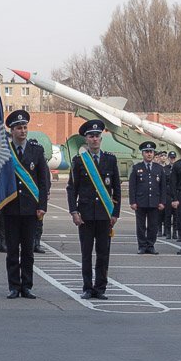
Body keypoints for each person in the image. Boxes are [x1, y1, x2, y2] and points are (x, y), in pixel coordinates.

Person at [67, 119, 121, 299]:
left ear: (101, 138)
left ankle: (100, 288)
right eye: (91, 136)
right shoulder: (79, 161)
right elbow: (72, 188)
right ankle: (87, 287)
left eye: (97, 136)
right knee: (86, 254)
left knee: (103, 254)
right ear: (86, 139)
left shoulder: (110, 160)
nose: (94, 139)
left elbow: (116, 188)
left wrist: (115, 213)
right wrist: (74, 211)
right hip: (86, 215)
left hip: (105, 215)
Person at [2, 110, 50, 298]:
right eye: (19, 128)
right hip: (11, 208)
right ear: (12, 131)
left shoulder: (36, 151)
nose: (23, 131)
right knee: (13, 250)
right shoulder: (6, 152)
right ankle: (14, 286)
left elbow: (43, 181)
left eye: (25, 127)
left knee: (28, 251)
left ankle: (27, 285)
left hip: (31, 209)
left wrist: (42, 206)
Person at [129, 141, 168, 255]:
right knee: (140, 226)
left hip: (154, 202)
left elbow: (163, 187)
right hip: (140, 202)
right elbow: (132, 186)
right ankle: (142, 246)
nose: (149, 154)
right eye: (146, 152)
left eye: (151, 152)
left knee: (153, 225)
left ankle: (150, 245)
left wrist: (162, 202)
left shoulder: (159, 168)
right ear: (142, 153)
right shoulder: (137, 168)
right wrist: (133, 201)